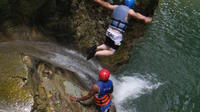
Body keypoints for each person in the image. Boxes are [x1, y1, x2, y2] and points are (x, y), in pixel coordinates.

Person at [87, 0, 152, 60]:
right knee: (111, 51)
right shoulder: (129, 11)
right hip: (116, 35)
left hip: (109, 31)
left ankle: (95, 48)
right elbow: (137, 15)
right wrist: (145, 18)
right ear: (131, 5)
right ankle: (95, 54)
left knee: (107, 45)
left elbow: (106, 4)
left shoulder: (116, 7)